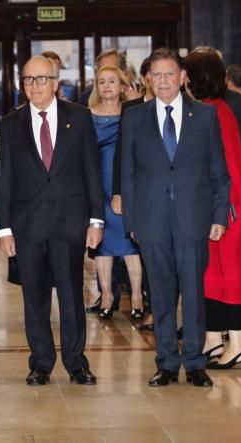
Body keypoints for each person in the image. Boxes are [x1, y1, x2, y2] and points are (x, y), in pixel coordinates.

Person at [119, 48, 230, 388]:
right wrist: (132, 221)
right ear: (148, 80)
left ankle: (195, 363)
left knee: (194, 294)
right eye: (157, 75)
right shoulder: (135, 117)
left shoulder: (205, 116)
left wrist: (219, 215)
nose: (163, 81)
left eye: (170, 74)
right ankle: (167, 363)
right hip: (151, 221)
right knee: (162, 294)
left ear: (183, 77)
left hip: (193, 219)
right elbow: (127, 173)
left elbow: (219, 172)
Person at [0, 55, 103, 386]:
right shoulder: (11, 123)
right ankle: (40, 362)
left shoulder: (80, 118)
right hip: (28, 224)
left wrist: (96, 220)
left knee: (71, 295)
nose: (35, 86)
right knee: (35, 297)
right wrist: (4, 227)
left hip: (70, 221)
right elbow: (5, 178)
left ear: (56, 82)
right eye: (28, 80)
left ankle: (76, 362)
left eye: (41, 79)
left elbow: (92, 171)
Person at [183, 51, 241, 370]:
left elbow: (218, 168)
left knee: (228, 276)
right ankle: (214, 340)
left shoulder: (212, 112)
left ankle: (238, 345)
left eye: (186, 74)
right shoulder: (215, 109)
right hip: (222, 205)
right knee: (211, 276)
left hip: (225, 209)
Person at [88, 65, 143, 321]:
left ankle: (136, 296)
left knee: (129, 240)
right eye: (102, 82)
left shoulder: (131, 111)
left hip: (124, 182)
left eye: (112, 81)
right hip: (98, 183)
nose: (107, 86)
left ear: (122, 85)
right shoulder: (87, 114)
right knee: (103, 242)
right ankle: (107, 294)